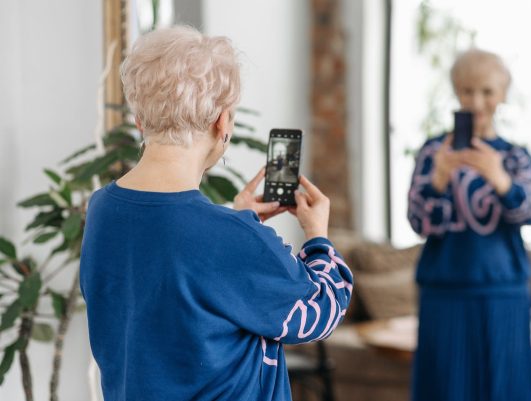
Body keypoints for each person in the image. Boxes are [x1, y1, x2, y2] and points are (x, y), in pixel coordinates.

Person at [79, 26, 352, 401]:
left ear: (141, 120)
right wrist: (318, 237)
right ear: (221, 122)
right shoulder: (228, 237)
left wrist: (240, 222)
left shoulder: (102, 210)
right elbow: (319, 313)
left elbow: (176, 289)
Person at [407, 49, 531, 401]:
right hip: (444, 292)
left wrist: (501, 180)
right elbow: (418, 222)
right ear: (456, 91)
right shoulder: (433, 152)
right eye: (467, 91)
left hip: (505, 294)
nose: (476, 101)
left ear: (503, 94)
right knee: (444, 389)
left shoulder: (514, 156)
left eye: (487, 91)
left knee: (506, 389)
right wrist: (437, 178)